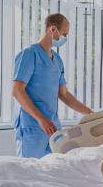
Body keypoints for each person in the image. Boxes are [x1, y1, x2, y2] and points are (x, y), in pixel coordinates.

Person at [12, 13, 94, 158]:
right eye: (64, 34)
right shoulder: (29, 54)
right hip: (32, 125)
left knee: (54, 169)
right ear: (53, 29)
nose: (65, 38)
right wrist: (41, 119)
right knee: (28, 170)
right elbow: (17, 91)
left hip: (53, 126)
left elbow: (63, 94)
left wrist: (90, 114)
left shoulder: (57, 59)